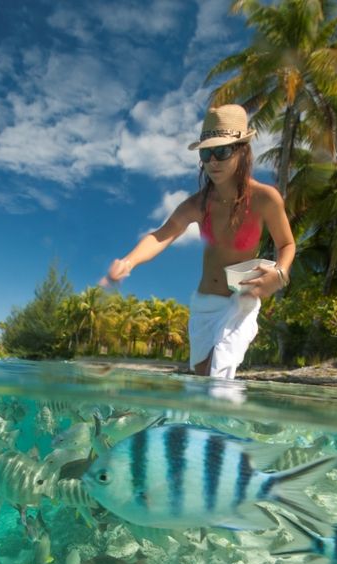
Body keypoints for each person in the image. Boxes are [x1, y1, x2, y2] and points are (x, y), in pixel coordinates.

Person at [104, 104, 295, 378]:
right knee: (201, 377)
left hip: (241, 300)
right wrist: (128, 262)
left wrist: (280, 273)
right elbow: (162, 234)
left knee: (219, 378)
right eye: (206, 153)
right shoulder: (197, 204)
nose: (213, 161)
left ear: (242, 150)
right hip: (204, 305)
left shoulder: (265, 198)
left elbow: (286, 245)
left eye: (222, 151)